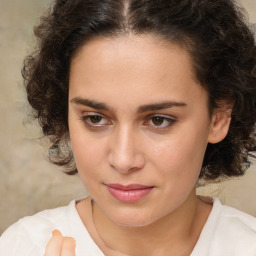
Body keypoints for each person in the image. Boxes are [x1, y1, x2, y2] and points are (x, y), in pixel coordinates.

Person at [1, 0, 256, 255]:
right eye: (95, 118)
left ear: (219, 116)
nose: (123, 160)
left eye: (159, 120)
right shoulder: (21, 247)